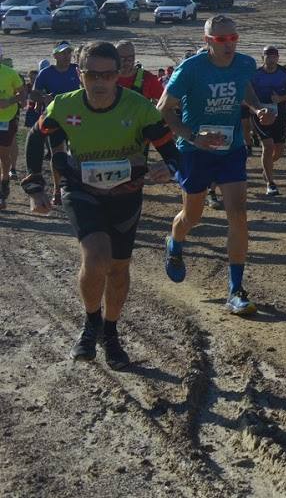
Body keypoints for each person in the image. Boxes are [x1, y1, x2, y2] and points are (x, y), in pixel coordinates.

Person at [21, 42, 179, 368]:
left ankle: (110, 332)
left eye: (107, 75)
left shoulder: (139, 108)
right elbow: (36, 137)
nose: (99, 82)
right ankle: (91, 322)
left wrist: (171, 169)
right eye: (92, 74)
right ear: (80, 75)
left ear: (118, 74)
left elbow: (170, 150)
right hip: (81, 190)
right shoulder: (64, 106)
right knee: (96, 258)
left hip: (126, 195)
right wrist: (35, 186)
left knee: (119, 268)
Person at [158, 15, 270, 316]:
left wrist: (257, 107)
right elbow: (164, 111)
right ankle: (175, 241)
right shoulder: (190, 69)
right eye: (221, 40)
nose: (229, 44)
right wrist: (194, 137)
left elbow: (243, 87)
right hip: (195, 151)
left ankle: (235, 289)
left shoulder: (245, 63)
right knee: (192, 216)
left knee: (238, 213)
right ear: (207, 41)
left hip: (230, 148)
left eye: (233, 38)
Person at [28, 41, 82, 207]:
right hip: (55, 118)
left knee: (79, 152)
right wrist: (44, 98)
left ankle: (80, 187)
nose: (66, 56)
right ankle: (58, 190)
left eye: (69, 53)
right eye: (63, 53)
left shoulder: (77, 70)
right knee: (57, 154)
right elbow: (34, 95)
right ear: (55, 55)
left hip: (77, 118)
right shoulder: (46, 73)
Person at [250, 45, 286, 197]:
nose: (270, 59)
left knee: (278, 151)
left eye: (273, 56)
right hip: (261, 114)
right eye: (267, 56)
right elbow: (247, 95)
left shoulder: (284, 73)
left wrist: (281, 98)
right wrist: (256, 110)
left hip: (280, 114)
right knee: (268, 146)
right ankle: (270, 183)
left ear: (278, 58)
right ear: (262, 57)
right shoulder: (255, 74)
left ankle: (267, 168)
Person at [0, 51, 24, 207]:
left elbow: (23, 94)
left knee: (3, 156)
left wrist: (9, 101)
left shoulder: (10, 73)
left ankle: (4, 184)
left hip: (5, 120)